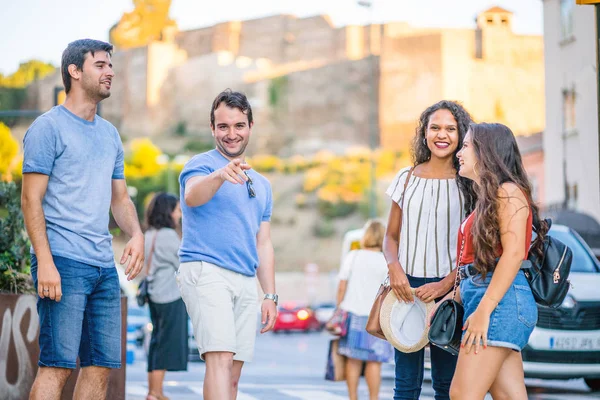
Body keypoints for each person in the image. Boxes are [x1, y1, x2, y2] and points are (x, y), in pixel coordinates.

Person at [21, 39, 144, 400]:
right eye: (101, 65)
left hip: (103, 266)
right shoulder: (49, 128)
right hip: (62, 262)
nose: (110, 72)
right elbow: (31, 199)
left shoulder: (109, 135)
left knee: (100, 367)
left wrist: (135, 233)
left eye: (110, 65)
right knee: (57, 365)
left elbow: (119, 198)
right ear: (75, 72)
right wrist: (44, 261)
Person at [177, 89, 277, 400]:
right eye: (223, 127)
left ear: (250, 126)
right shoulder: (201, 166)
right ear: (212, 128)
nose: (231, 134)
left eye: (238, 126)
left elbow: (263, 242)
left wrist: (270, 294)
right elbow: (192, 196)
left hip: (246, 280)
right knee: (218, 360)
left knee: (232, 375)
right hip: (207, 271)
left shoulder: (262, 184)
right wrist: (220, 175)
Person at [383, 100, 476, 400]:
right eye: (435, 127)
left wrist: (447, 284)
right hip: (405, 290)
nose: (442, 134)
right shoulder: (405, 178)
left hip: (450, 294)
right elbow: (390, 236)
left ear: (461, 134)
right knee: (406, 386)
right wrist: (395, 269)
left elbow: (472, 247)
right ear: (424, 133)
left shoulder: (470, 183)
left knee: (446, 387)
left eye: (451, 128)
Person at [446, 122, 544, 399]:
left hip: (500, 303)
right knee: (510, 396)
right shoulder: (487, 197)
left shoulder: (508, 192)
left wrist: (484, 311)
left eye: (465, 145)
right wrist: (456, 298)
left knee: (462, 394)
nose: (459, 152)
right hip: (489, 298)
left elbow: (513, 254)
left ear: (485, 151)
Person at [336, 220, 394, 400]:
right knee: (374, 362)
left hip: (353, 314)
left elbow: (341, 286)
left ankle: (353, 398)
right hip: (376, 318)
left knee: (353, 360)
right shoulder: (387, 260)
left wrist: (338, 309)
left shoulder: (353, 256)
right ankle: (373, 398)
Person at [143, 193, 188, 400]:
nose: (179, 215)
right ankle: (156, 392)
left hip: (153, 294)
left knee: (156, 342)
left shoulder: (150, 234)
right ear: (168, 212)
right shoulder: (169, 236)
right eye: (177, 210)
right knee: (166, 343)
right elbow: (183, 263)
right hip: (169, 295)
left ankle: (153, 391)